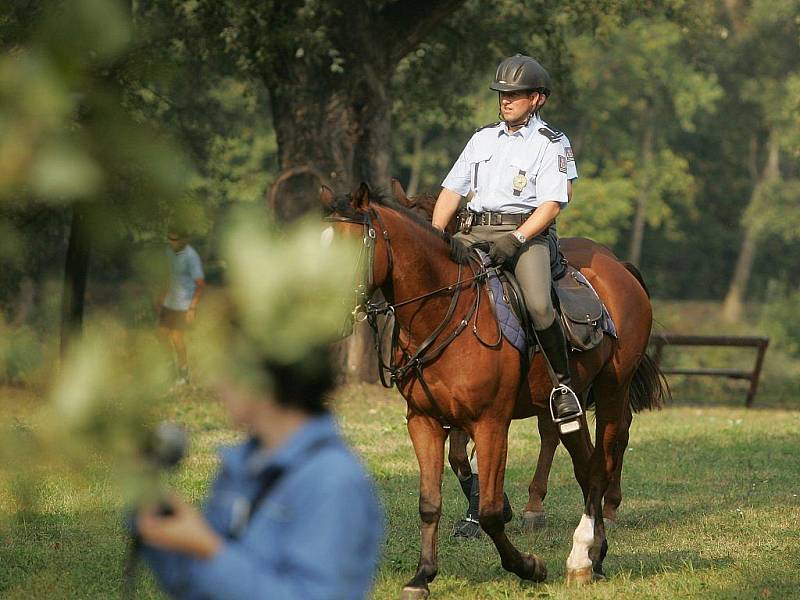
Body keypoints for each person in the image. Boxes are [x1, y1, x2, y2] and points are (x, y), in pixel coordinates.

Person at [134, 339, 384, 599]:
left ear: (263, 378)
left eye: (226, 371)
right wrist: (145, 499)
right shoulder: (240, 466)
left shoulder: (332, 481)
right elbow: (196, 585)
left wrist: (209, 549)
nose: (215, 385)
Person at [432, 54, 582, 433]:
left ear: (538, 98)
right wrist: (436, 234)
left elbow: (552, 204)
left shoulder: (552, 143)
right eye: (502, 93)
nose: (506, 100)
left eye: (515, 94)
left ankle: (563, 386)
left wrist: (515, 239)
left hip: (526, 235)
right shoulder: (481, 138)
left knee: (537, 304)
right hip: (472, 230)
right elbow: (452, 190)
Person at [158, 228, 205, 386]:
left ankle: (184, 375)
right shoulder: (168, 252)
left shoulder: (192, 257)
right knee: (161, 335)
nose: (172, 242)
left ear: (185, 239)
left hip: (183, 303)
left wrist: (192, 308)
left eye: (175, 239)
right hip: (169, 302)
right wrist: (161, 297)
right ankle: (170, 370)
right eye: (170, 239)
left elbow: (200, 284)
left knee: (177, 338)